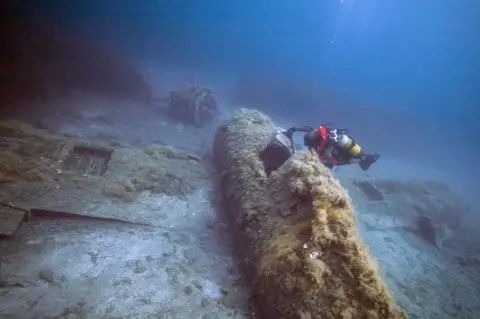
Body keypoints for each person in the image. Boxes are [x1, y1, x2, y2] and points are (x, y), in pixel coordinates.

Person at [284, 125, 380, 171]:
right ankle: (371, 158)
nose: (308, 147)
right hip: (343, 151)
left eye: (309, 145)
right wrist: (294, 129)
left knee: (358, 158)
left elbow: (330, 163)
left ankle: (372, 158)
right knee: (360, 157)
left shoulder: (327, 146)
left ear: (314, 142)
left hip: (343, 156)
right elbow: (307, 129)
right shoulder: (318, 134)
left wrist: (316, 162)